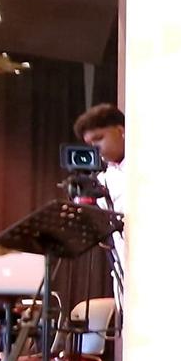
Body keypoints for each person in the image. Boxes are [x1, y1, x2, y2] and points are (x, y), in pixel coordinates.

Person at [72, 103, 128, 276]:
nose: (95, 148)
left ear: (121, 131)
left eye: (98, 139)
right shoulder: (101, 181)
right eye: (90, 143)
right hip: (123, 273)